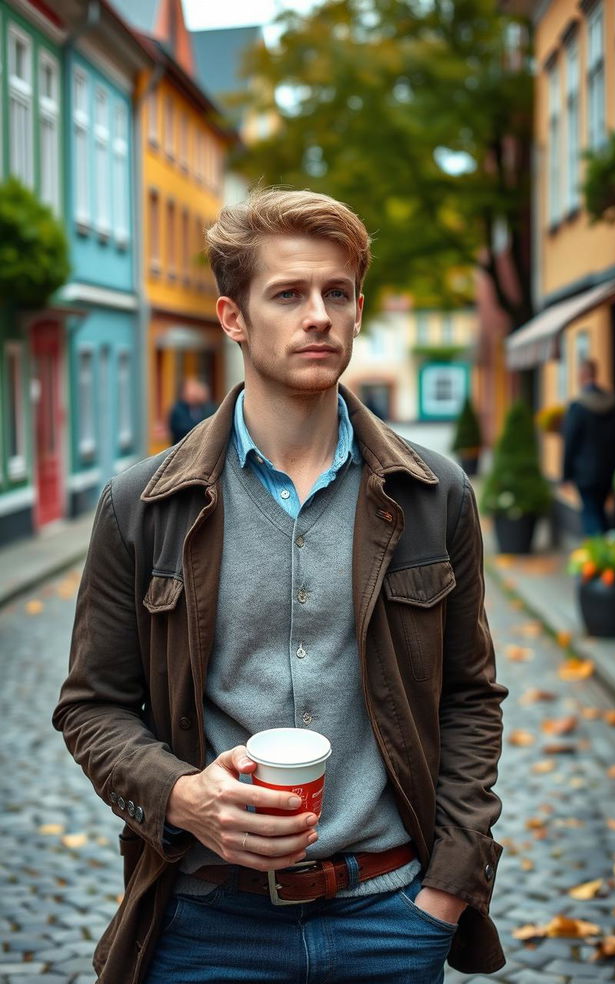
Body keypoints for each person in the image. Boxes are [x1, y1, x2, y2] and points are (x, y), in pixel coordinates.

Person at [53, 188, 507, 984]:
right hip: (205, 923)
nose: (319, 315)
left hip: (390, 917)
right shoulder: (142, 504)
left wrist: (447, 891)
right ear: (233, 317)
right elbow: (92, 706)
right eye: (289, 294)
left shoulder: (436, 495)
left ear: (360, 309)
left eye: (337, 293)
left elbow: (470, 698)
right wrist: (181, 796)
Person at [562, 358, 615, 535]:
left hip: (585, 473)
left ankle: (599, 556)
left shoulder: (578, 407)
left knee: (590, 513)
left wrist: (566, 475)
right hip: (610, 469)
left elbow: (570, 442)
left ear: (581, 376)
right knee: (601, 512)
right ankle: (610, 549)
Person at [168, 377, 217, 444]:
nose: (194, 394)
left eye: (196, 390)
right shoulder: (178, 409)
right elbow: (183, 429)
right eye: (191, 391)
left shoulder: (208, 408)